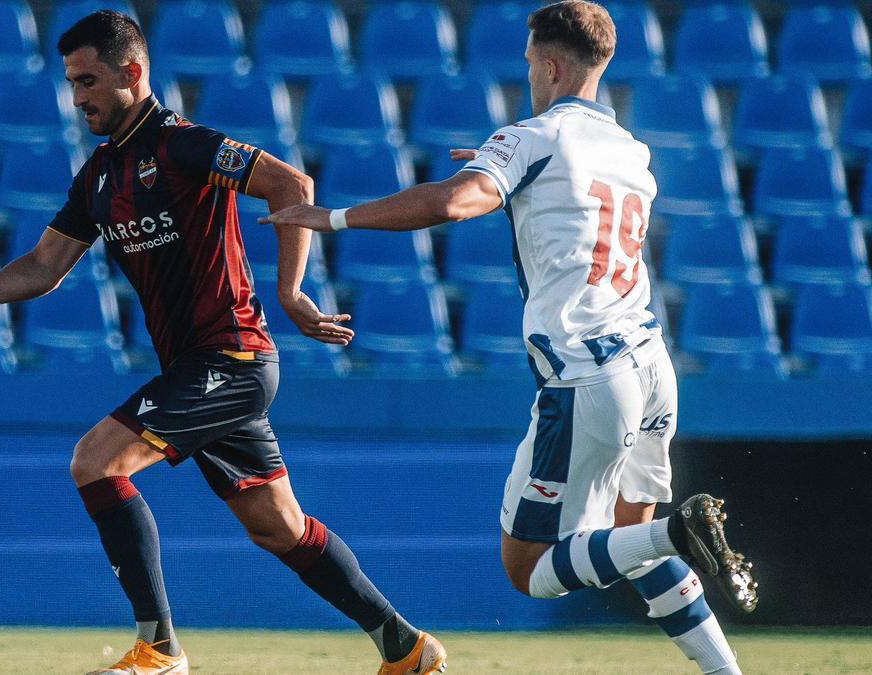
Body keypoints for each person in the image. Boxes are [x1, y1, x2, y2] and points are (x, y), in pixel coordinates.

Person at [0, 10, 447, 675]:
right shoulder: (101, 177)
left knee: (96, 460)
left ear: (132, 72)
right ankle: (408, 647)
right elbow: (45, 267)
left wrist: (290, 292)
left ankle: (159, 648)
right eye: (72, 83)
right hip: (203, 369)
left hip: (233, 358)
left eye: (88, 81)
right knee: (278, 526)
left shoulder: (185, 145)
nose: (78, 98)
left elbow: (291, 184)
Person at [263, 2, 758, 673]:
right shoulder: (631, 150)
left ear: (551, 64)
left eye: (530, 64)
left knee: (528, 568)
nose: (529, 76)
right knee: (631, 541)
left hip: (588, 375)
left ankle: (682, 527)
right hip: (650, 367)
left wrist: (335, 218)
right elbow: (568, 200)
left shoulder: (534, 137)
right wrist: (511, 166)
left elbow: (451, 202)